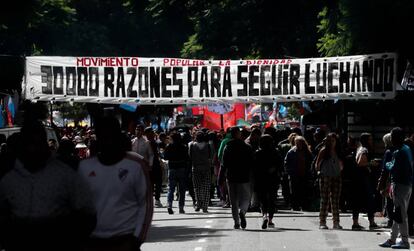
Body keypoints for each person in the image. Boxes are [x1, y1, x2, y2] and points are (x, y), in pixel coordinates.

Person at [0, 121, 96, 251]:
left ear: (45, 144)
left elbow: (87, 213)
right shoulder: (8, 180)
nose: (33, 149)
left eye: (38, 143)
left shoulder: (64, 175)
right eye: (29, 143)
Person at [79, 117, 152, 251]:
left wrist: (136, 239)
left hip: (125, 239)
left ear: (118, 136)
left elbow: (145, 205)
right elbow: (78, 206)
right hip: (94, 241)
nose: (107, 140)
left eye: (111, 135)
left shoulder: (136, 166)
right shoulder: (85, 167)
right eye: (102, 135)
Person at [379, 127, 413, 249]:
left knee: (401, 214)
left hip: (400, 185)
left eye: (392, 137)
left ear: (397, 138)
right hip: (406, 185)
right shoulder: (406, 149)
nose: (391, 139)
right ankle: (393, 238)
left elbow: (393, 168)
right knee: (398, 213)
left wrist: (387, 164)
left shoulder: (398, 152)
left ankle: (404, 241)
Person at [221, 127, 254, 230]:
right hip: (244, 176)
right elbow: (252, 162)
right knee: (246, 198)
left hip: (231, 176)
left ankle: (236, 222)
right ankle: (243, 212)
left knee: (233, 200)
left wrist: (221, 176)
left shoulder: (228, 146)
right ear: (239, 135)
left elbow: (224, 163)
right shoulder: (247, 147)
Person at [315, 133, 343, 229]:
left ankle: (336, 222)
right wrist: (319, 172)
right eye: (330, 141)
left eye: (333, 141)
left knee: (335, 200)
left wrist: (340, 169)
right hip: (325, 176)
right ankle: (322, 222)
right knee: (325, 200)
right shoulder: (323, 151)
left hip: (336, 176)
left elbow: (341, 163)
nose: (331, 143)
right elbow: (317, 164)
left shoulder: (338, 151)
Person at [254, 134, 283, 229]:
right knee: (272, 199)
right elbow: (280, 166)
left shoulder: (258, 153)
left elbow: (254, 167)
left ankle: (264, 215)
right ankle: (270, 220)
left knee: (263, 200)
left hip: (261, 179)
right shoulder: (276, 152)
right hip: (273, 178)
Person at [354, 133, 380, 230]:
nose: (371, 141)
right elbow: (360, 163)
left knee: (357, 200)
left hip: (359, 178)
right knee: (369, 200)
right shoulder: (364, 150)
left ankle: (355, 222)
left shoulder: (359, 149)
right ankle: (371, 222)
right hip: (364, 178)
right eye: (369, 139)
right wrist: (371, 163)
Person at [284, 136, 313, 211]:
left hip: (305, 174)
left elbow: (311, 162)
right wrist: (290, 172)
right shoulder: (291, 152)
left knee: (304, 190)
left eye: (300, 143)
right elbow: (286, 163)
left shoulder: (307, 152)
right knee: (294, 191)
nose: (298, 144)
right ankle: (295, 206)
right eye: (296, 143)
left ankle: (304, 205)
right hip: (294, 175)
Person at [164, 132, 189, 214]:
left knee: (171, 189)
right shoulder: (184, 147)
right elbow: (187, 158)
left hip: (172, 169)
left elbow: (165, 157)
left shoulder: (169, 147)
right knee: (181, 190)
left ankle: (169, 205)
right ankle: (181, 207)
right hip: (181, 168)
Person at [189, 131, 213, 213]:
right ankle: (205, 207)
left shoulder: (192, 145)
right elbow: (210, 157)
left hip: (195, 168)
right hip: (206, 168)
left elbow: (190, 157)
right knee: (206, 188)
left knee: (197, 188)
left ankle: (198, 204)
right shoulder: (208, 146)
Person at [377, 133, 395, 228]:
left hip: (389, 179)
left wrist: (381, 182)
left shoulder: (389, 152)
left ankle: (390, 220)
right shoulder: (399, 150)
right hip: (396, 178)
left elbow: (386, 168)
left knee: (389, 200)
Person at [144, 127, 164, 208]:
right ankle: (155, 200)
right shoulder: (148, 143)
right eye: (151, 132)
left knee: (156, 183)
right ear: (147, 134)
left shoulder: (154, 142)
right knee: (154, 183)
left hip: (154, 165)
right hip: (151, 165)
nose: (152, 133)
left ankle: (155, 200)